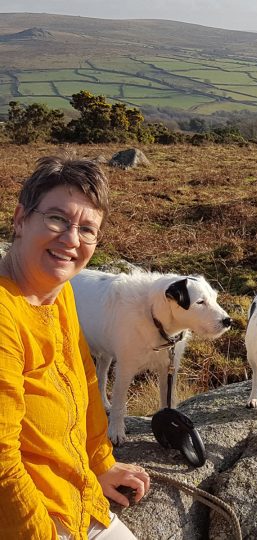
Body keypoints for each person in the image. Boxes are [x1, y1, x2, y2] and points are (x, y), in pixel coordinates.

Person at [0, 155, 151, 539]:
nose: (71, 240)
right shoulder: (5, 312)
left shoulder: (58, 291)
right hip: (31, 519)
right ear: (20, 219)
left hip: (75, 495)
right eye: (57, 219)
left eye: (87, 229)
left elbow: (82, 378)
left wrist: (99, 462)